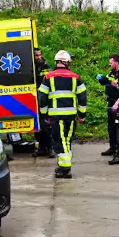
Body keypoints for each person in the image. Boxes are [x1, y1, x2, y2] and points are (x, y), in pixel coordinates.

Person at [38, 50, 88, 179]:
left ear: (57, 62)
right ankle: (63, 166)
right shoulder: (76, 77)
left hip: (56, 115)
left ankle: (65, 169)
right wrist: (82, 114)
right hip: (71, 115)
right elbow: (82, 97)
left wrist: (44, 115)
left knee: (60, 140)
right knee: (67, 140)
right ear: (66, 62)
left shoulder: (48, 77)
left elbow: (42, 98)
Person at [98, 54, 119, 156]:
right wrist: (101, 79)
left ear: (116, 62)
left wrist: (115, 84)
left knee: (118, 126)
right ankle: (112, 147)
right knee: (111, 126)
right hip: (111, 102)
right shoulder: (112, 72)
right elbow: (106, 81)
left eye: (111, 62)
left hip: (118, 104)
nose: (110, 64)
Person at [32, 47, 52, 158]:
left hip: (43, 97)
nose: (38, 57)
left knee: (46, 125)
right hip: (34, 98)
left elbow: (48, 78)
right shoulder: (31, 65)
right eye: (36, 55)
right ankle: (41, 148)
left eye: (39, 55)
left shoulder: (44, 65)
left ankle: (50, 148)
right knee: (37, 124)